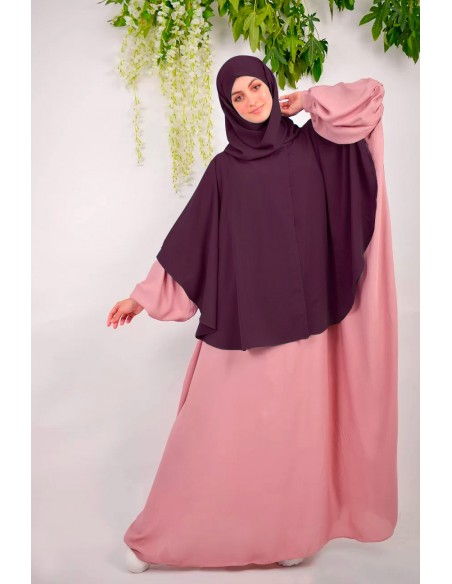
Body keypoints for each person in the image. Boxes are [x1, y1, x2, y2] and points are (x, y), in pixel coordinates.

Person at [107, 55, 397, 572]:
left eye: (256, 87)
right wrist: (143, 297)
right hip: (243, 322)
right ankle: (161, 537)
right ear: (228, 107)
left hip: (306, 327)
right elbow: (190, 237)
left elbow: (371, 98)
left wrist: (310, 100)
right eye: (237, 96)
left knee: (295, 432)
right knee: (213, 430)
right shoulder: (225, 170)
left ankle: (291, 533)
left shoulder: (314, 144)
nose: (251, 101)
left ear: (270, 85)